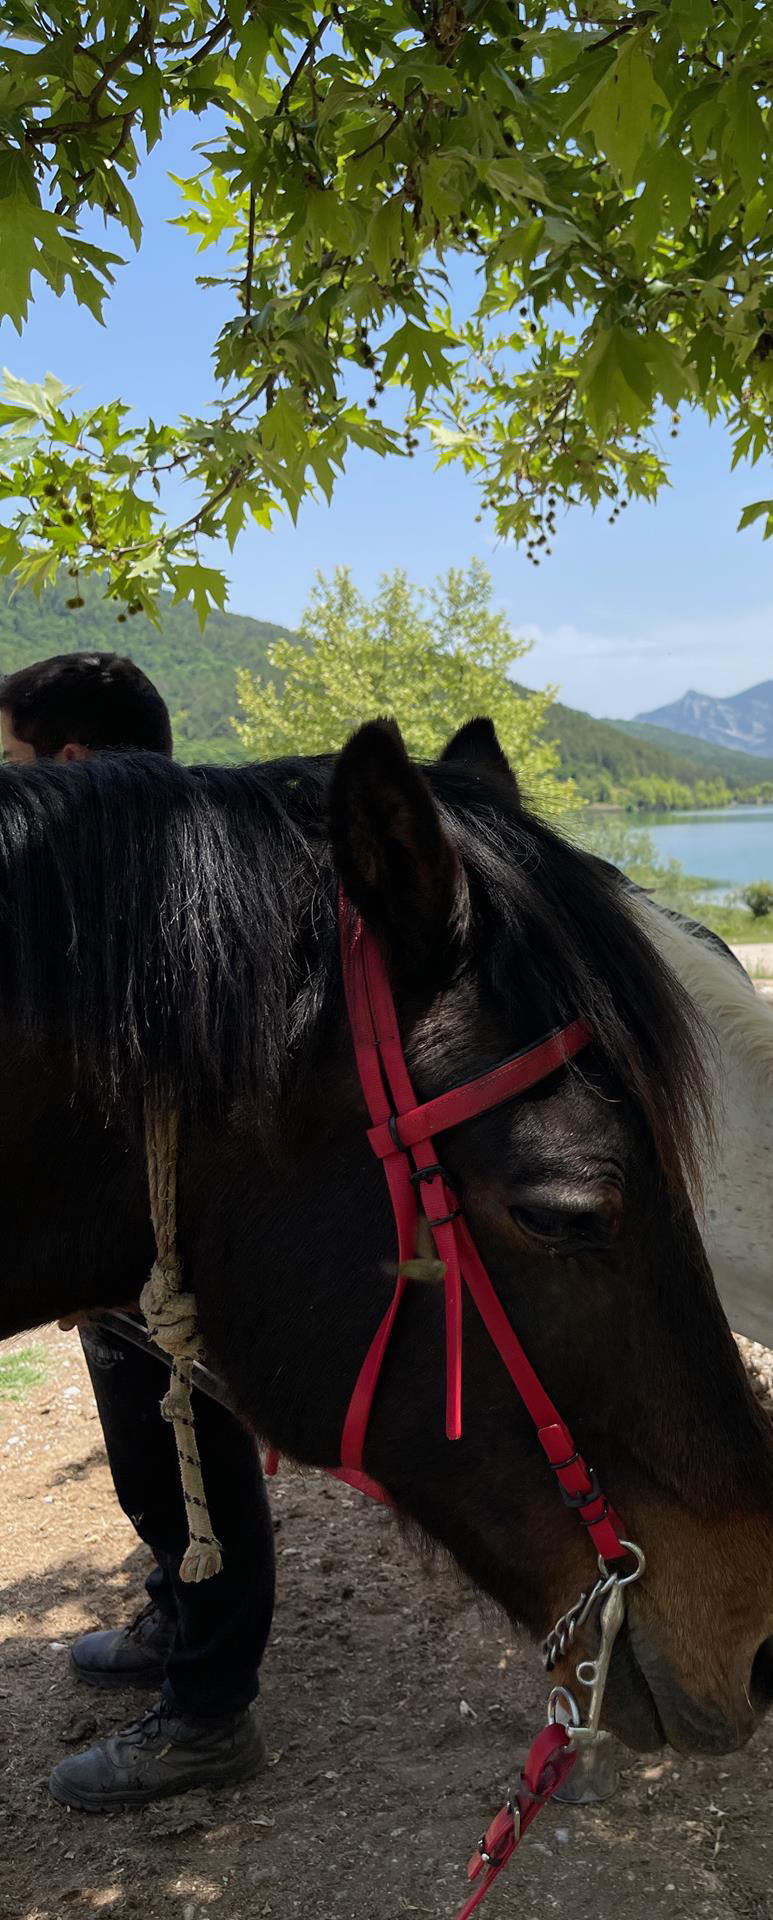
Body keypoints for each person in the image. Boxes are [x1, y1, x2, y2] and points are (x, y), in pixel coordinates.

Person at [1, 651, 274, 1809]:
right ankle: (176, 1620)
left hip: (174, 1257)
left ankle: (211, 1715)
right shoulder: (100, 881)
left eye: (11, 764)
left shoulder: (170, 890)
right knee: (151, 1468)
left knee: (195, 1461)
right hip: (115, 1258)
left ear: (72, 765)